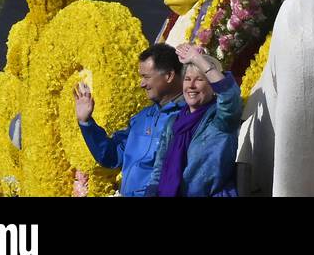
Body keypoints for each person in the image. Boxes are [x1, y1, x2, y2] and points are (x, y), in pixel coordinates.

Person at [74, 44, 184, 197]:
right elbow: (112, 157)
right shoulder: (141, 118)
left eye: (146, 77)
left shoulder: (190, 117)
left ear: (169, 76)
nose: (142, 84)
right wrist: (86, 122)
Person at [145, 42, 241, 197]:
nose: (191, 85)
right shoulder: (173, 123)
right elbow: (159, 169)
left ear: (213, 87)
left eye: (199, 80)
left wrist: (197, 59)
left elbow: (230, 95)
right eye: (187, 79)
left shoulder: (221, 119)